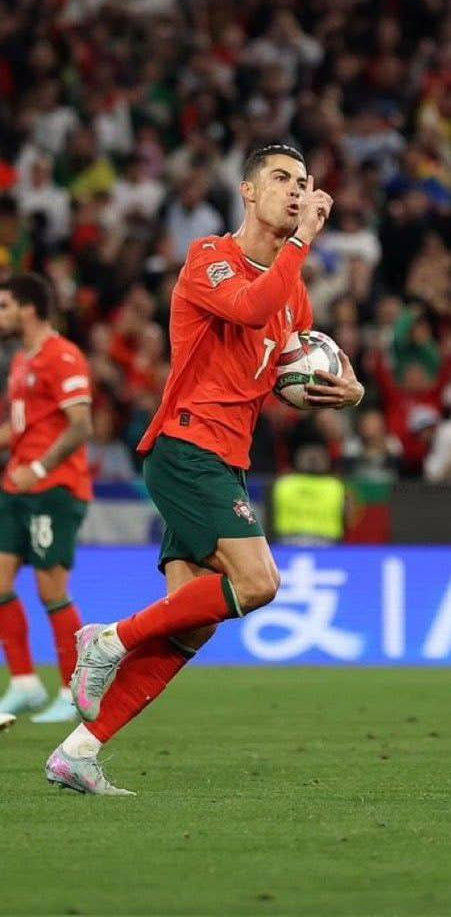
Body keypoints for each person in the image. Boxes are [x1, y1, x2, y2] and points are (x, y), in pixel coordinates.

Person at [46, 144, 365, 795]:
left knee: (190, 625)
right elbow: (249, 309)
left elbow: (297, 363)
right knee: (258, 582)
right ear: (248, 192)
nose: (295, 191)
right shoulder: (208, 259)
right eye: (280, 179)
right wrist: (303, 242)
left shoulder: (293, 290)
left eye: (303, 182)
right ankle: (108, 640)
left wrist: (349, 388)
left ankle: (78, 752)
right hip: (187, 448)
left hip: (229, 459)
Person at [0, 274, 94, 724]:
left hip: (54, 487)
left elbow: (81, 425)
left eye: (4, 306)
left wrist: (38, 469)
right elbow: (23, 428)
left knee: (51, 589)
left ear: (29, 308)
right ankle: (24, 682)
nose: (0, 315)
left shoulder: (64, 356)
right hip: (17, 488)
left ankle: (74, 691)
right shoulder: (22, 360)